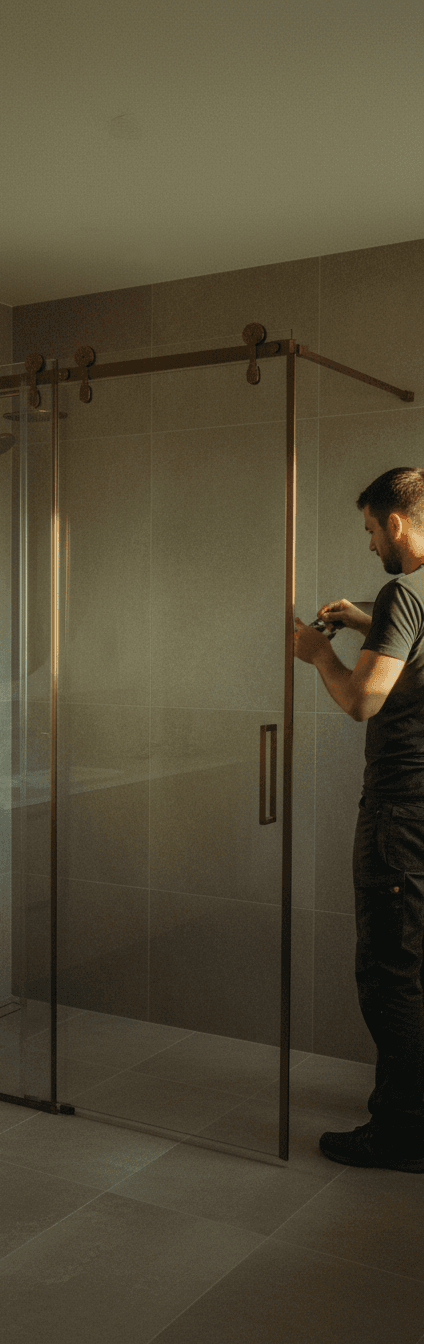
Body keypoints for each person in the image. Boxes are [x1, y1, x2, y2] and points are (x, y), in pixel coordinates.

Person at [294, 466, 424, 1173]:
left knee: (389, 973)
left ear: (395, 523)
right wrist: (363, 621)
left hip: (401, 811)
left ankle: (401, 1132)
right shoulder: (413, 600)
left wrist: (320, 653)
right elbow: (415, 652)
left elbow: (363, 700)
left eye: (372, 531)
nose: (372, 545)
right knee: (415, 966)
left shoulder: (404, 588)